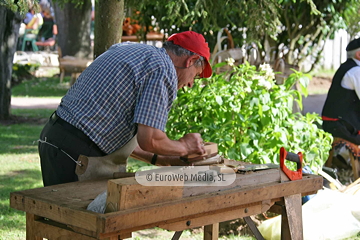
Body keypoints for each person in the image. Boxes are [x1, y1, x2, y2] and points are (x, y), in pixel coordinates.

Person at [38, 31, 213, 186]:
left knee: (61, 220)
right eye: (195, 76)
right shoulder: (163, 69)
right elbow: (150, 140)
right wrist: (184, 147)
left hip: (57, 137)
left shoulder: (131, 50)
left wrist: (163, 158)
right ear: (191, 61)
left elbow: (110, 130)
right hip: (75, 153)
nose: (190, 84)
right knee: (77, 220)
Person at [322, 38, 360, 145]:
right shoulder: (356, 71)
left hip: (338, 124)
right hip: (341, 127)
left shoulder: (348, 67)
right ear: (359, 55)